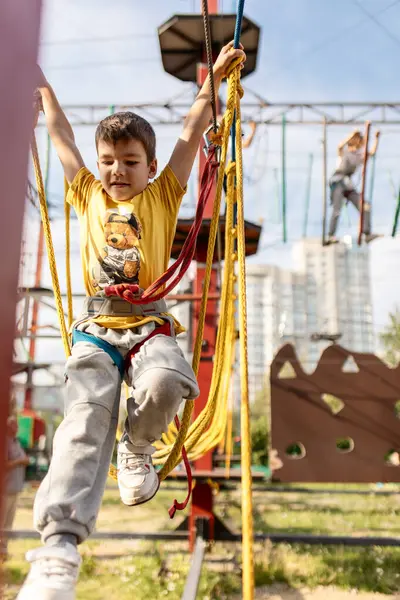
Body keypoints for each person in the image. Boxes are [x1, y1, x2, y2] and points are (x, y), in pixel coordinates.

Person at [17, 41, 246, 600]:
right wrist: (44, 88)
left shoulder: (164, 193)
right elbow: (62, 138)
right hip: (98, 328)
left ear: (148, 166)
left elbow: (191, 134)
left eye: (130, 161)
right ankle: (59, 546)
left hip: (150, 323)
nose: (117, 171)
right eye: (109, 161)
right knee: (84, 419)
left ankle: (139, 443)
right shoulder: (85, 193)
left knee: (169, 381)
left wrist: (212, 84)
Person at [327, 129, 381, 244]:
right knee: (337, 209)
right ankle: (330, 235)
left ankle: (367, 233)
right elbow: (340, 146)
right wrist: (351, 135)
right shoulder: (344, 151)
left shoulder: (359, 156)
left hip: (348, 185)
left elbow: (371, 153)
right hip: (338, 182)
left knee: (365, 206)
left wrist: (376, 139)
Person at [1, 417, 29, 559]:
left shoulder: (16, 442)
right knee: (2, 522)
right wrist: (20, 461)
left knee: (9, 523)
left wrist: (23, 461)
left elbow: (25, 459)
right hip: (6, 490)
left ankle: (3, 551)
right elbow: (4, 464)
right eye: (14, 425)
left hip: (15, 489)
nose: (17, 427)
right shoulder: (4, 443)